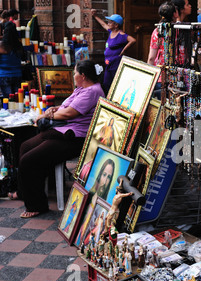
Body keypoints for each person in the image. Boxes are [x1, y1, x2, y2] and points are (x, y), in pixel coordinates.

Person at [10, 60, 105, 218]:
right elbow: (66, 107)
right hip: (64, 131)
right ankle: (25, 191)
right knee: (25, 146)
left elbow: (70, 113)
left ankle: (36, 205)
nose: (73, 76)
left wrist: (49, 114)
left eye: (74, 73)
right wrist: (55, 109)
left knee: (29, 160)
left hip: (76, 138)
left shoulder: (92, 91)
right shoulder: (81, 89)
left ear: (82, 75)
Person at [91, 10, 136, 94]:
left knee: (116, 83)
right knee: (106, 83)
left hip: (116, 63)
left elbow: (133, 40)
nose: (108, 23)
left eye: (110, 22)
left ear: (116, 25)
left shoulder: (121, 35)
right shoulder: (111, 31)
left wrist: (123, 50)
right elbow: (103, 24)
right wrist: (95, 16)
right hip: (108, 63)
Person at [147, 1, 178, 99]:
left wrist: (149, 76)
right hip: (178, 75)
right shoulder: (179, 30)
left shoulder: (157, 32)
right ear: (175, 14)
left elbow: (151, 57)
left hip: (161, 76)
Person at [0, 9, 22, 97]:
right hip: (17, 74)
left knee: (8, 100)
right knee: (18, 98)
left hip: (4, 76)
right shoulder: (18, 45)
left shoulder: (1, 46)